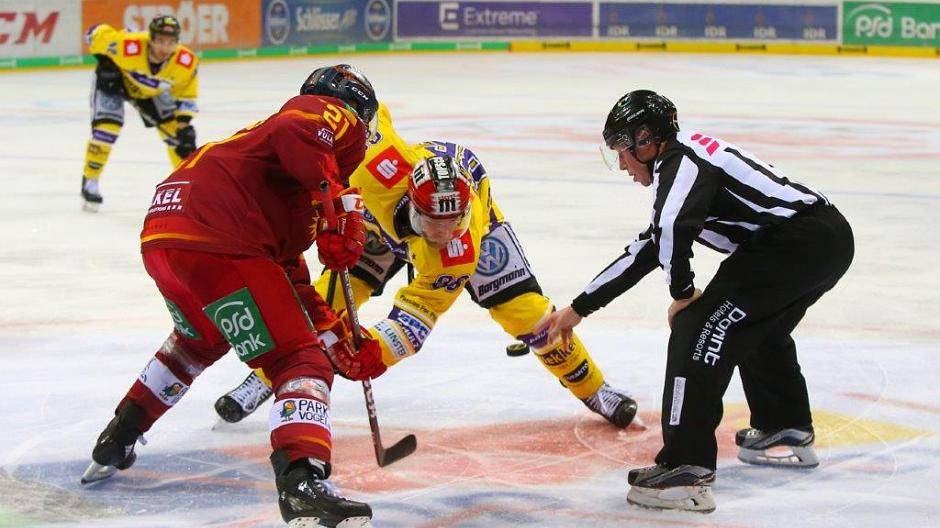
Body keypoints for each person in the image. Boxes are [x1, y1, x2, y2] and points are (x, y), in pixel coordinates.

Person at [81, 65, 386, 528]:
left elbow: (287, 279)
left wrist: (337, 336)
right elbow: (298, 124)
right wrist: (333, 204)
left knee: (198, 341)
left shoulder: (274, 176)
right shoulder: (331, 120)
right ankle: (301, 481)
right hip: (220, 236)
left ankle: (118, 436)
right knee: (298, 361)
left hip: (170, 237)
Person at [213, 102, 639, 431]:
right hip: (380, 227)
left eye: (454, 220)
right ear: (414, 206)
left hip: (484, 235)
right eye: (435, 222)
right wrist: (330, 209)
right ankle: (267, 375)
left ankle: (595, 389)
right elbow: (363, 111)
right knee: (329, 296)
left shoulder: (459, 248)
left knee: (531, 317)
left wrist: (373, 350)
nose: (444, 231)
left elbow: (416, 319)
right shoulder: (376, 167)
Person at [538, 90, 853, 513]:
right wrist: (579, 309)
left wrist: (684, 295)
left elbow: (671, 232)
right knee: (756, 329)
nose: (623, 165)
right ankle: (785, 426)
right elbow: (652, 246)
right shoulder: (683, 161)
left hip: (795, 243)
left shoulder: (682, 161)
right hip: (823, 240)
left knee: (698, 328)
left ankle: (687, 467)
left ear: (646, 140)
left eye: (623, 151)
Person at [81, 15, 199, 211]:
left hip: (149, 93)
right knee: (106, 131)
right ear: (150, 38)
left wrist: (184, 128)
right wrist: (105, 61)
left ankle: (188, 187)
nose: (165, 48)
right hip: (115, 84)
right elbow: (93, 33)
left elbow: (186, 97)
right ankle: (90, 180)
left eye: (170, 42)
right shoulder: (128, 45)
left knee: (179, 139)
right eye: (160, 41)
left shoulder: (185, 62)